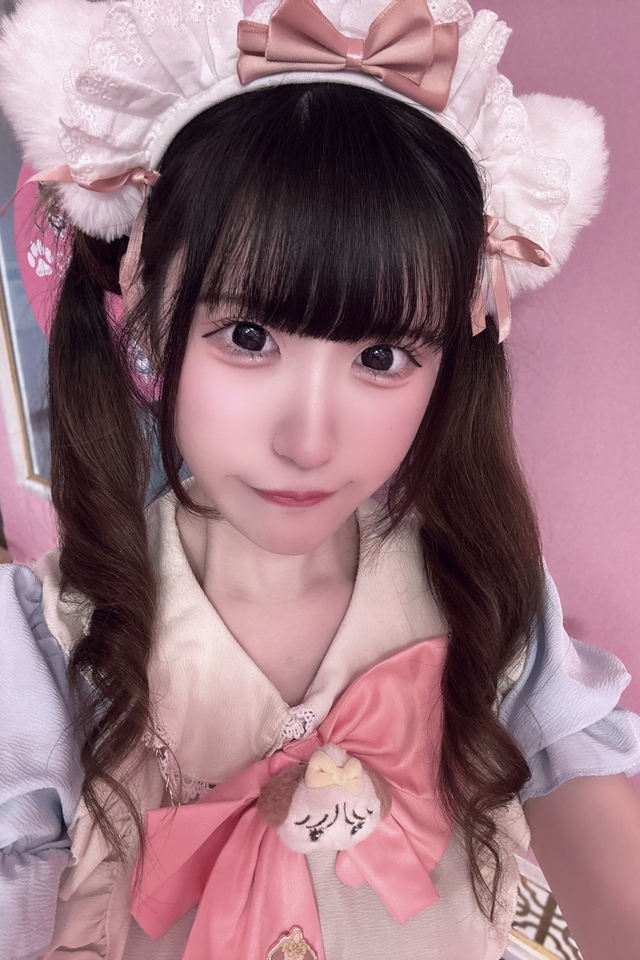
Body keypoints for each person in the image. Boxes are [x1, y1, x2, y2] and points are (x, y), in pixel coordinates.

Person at [1, 0, 639, 959]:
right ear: (147, 307)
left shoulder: (487, 592)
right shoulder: (43, 650)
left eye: (382, 357)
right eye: (247, 336)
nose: (309, 440)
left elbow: (594, 836)